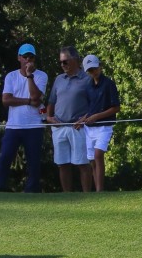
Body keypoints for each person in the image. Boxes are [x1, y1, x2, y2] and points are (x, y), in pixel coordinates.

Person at [0, 44, 48, 193]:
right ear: (19, 58)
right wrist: (27, 101)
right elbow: (6, 100)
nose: (28, 59)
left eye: (31, 57)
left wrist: (29, 76)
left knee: (34, 162)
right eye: (25, 56)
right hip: (14, 126)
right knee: (5, 157)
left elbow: (35, 97)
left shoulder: (41, 76)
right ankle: (0, 188)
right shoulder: (11, 76)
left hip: (34, 126)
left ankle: (31, 192)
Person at [46, 46, 92, 192]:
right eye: (60, 62)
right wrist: (48, 118)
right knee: (62, 163)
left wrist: (85, 118)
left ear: (75, 60)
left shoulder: (87, 79)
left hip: (78, 127)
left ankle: (87, 197)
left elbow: (95, 104)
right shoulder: (59, 79)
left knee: (82, 163)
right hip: (59, 127)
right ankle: (67, 196)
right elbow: (51, 102)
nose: (62, 65)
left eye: (65, 61)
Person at [75, 55, 120, 192]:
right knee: (92, 160)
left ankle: (100, 191)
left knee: (98, 154)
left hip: (104, 127)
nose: (93, 72)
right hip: (90, 128)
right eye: (90, 70)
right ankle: (97, 192)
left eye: (94, 68)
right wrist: (83, 119)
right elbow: (91, 110)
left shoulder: (109, 84)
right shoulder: (88, 86)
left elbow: (116, 108)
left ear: (100, 66)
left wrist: (97, 117)